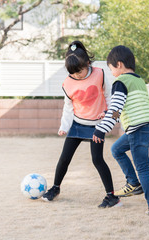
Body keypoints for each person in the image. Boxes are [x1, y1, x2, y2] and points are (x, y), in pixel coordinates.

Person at [42, 41, 120, 208]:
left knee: (97, 159)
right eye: (73, 73)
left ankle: (111, 196)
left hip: (97, 125)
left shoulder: (100, 74)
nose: (76, 75)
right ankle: (55, 188)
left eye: (79, 71)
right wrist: (64, 126)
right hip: (77, 124)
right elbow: (68, 107)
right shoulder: (67, 83)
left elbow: (109, 97)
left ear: (87, 63)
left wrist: (109, 117)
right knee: (64, 158)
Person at [92, 45, 149, 216]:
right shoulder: (138, 80)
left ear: (119, 65)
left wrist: (101, 129)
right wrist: (108, 112)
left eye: (111, 69)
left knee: (143, 167)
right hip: (148, 125)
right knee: (116, 149)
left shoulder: (120, 82)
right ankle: (133, 183)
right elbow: (125, 105)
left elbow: (116, 109)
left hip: (137, 128)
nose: (112, 73)